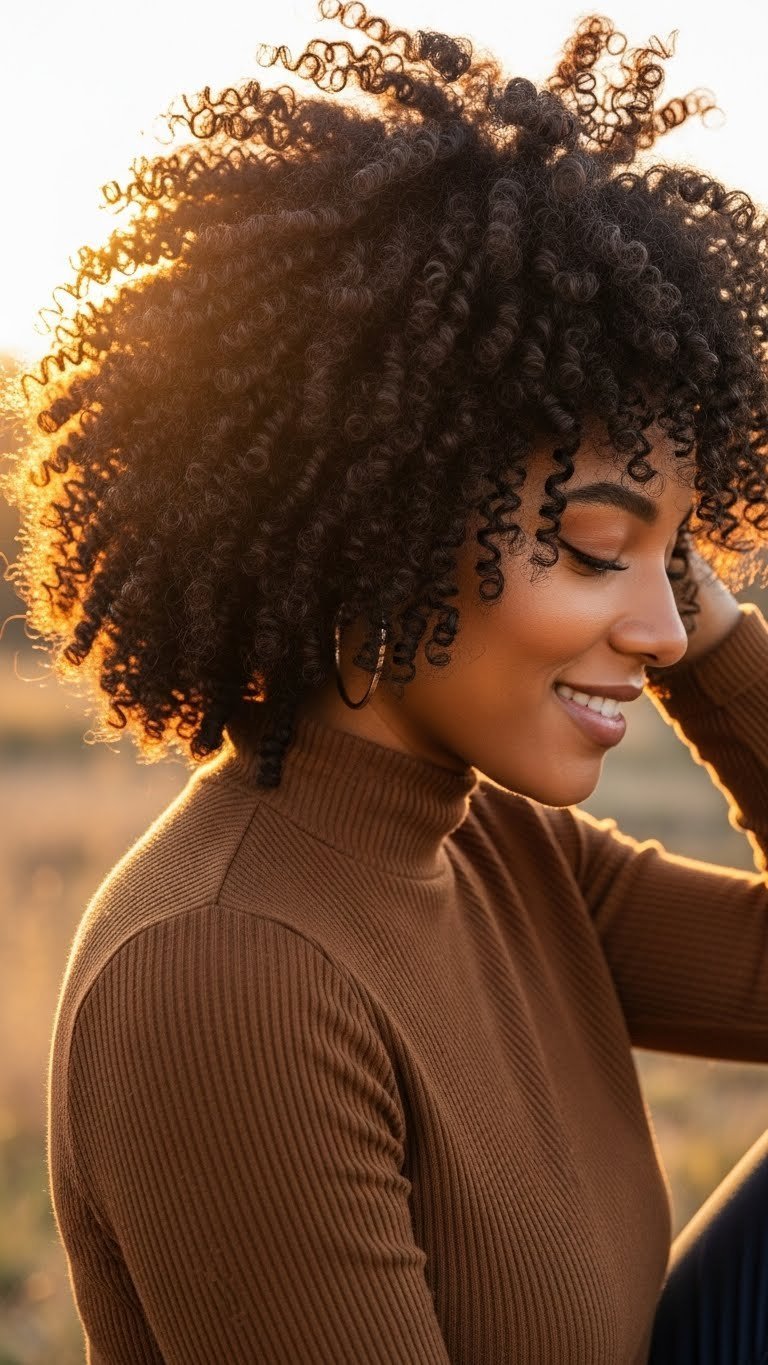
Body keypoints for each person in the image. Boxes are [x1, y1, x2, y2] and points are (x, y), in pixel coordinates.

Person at [5, 2, 768, 1360]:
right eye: (598, 546)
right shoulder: (223, 975)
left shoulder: (502, 848)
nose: (659, 624)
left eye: (684, 556)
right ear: (384, 526)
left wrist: (703, 617)